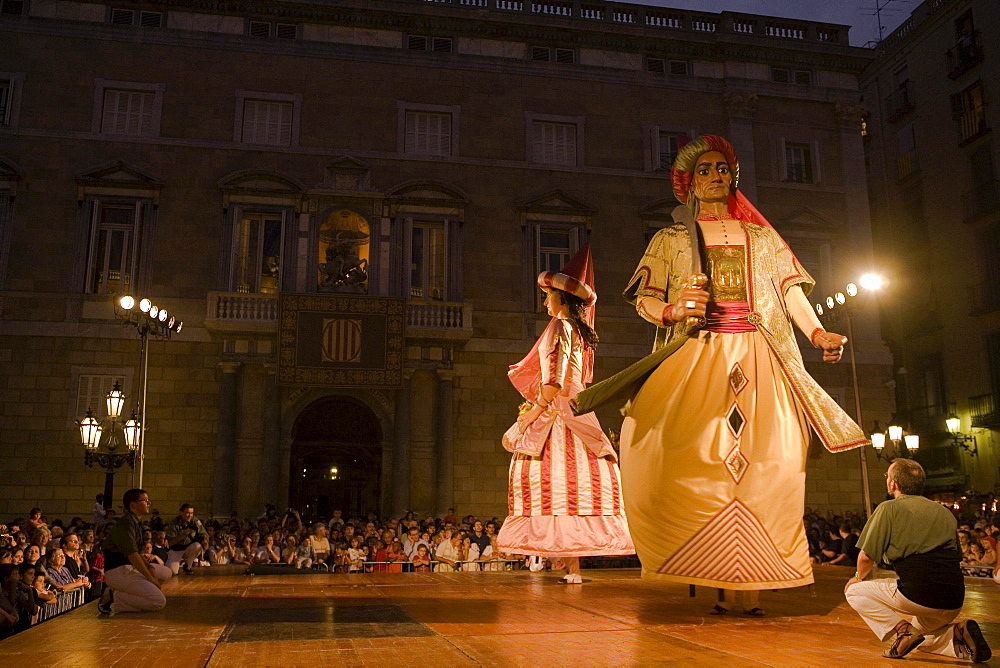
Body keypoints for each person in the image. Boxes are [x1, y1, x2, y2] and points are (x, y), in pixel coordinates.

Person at [575, 135, 865, 613]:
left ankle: (753, 579)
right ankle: (708, 570)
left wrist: (818, 335)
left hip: (759, 353)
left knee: (770, 462)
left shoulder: (764, 238)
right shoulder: (668, 240)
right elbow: (643, 298)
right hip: (698, 350)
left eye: (723, 169)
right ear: (688, 182)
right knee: (681, 454)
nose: (716, 177)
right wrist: (670, 311)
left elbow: (790, 292)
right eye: (705, 170)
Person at [496, 244, 634, 585]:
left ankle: (553, 555)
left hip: (558, 411)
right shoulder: (578, 332)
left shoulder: (559, 328)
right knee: (575, 480)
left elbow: (554, 380)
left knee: (547, 476)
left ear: (563, 300)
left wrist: (531, 414)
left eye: (549, 296)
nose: (545, 302)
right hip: (578, 411)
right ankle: (569, 565)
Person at [845, 459, 991, 661]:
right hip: (953, 599)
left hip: (919, 595)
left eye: (888, 476)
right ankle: (959, 633)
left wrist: (857, 578)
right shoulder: (944, 512)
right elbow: (956, 556)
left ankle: (903, 631)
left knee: (853, 591)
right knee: (921, 639)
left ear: (893, 484)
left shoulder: (888, 508)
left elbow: (866, 557)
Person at [97, 488, 173, 614]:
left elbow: (137, 553)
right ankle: (115, 596)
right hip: (118, 570)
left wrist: (149, 567)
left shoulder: (135, 522)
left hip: (130, 568)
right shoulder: (126, 523)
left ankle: (136, 587)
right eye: (144, 500)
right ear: (133, 505)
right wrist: (150, 579)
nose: (148, 503)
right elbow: (132, 555)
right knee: (158, 602)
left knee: (166, 572)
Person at [165, 504, 206, 575]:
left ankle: (187, 566)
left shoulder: (195, 521)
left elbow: (204, 534)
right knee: (172, 572)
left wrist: (205, 542)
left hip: (188, 548)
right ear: (181, 513)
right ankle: (177, 563)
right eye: (187, 513)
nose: (190, 515)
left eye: (191, 513)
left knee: (197, 546)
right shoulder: (174, 523)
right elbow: (170, 543)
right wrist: (182, 535)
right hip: (176, 549)